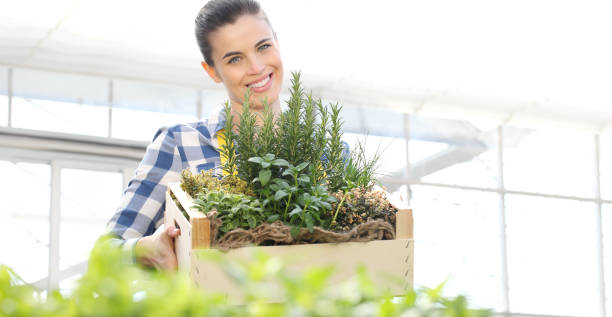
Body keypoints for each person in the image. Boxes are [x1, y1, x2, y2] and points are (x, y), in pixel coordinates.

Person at [105, 0, 283, 270]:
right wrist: (148, 248)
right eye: (235, 58)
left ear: (277, 43)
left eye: (263, 46)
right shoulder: (180, 145)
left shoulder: (329, 152)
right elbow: (105, 253)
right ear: (212, 71)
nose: (257, 67)